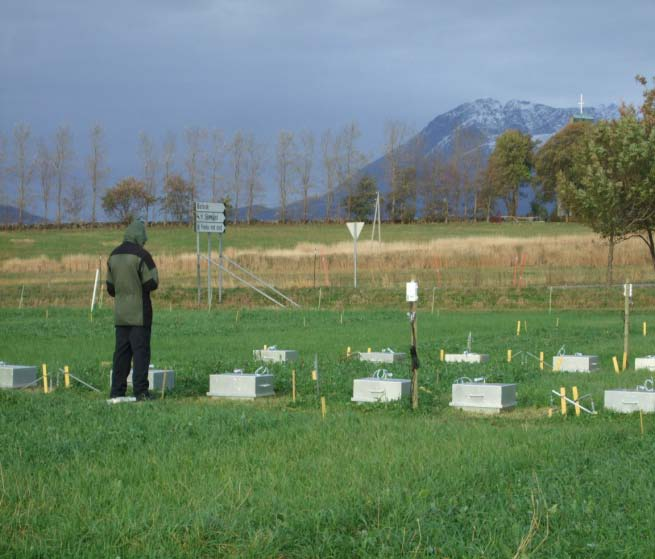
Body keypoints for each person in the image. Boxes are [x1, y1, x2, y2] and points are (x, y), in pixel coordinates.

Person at [106, 219, 159, 400]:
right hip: (139, 314)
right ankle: (141, 392)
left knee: (121, 354)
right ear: (139, 236)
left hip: (121, 314)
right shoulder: (142, 255)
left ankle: (117, 391)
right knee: (141, 353)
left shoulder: (113, 255)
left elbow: (110, 288)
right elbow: (152, 282)